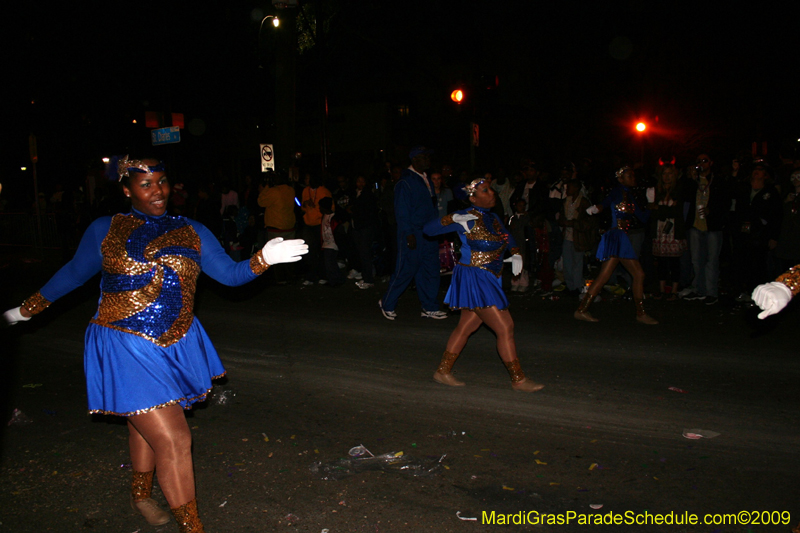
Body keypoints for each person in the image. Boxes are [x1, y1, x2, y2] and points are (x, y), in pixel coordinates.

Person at [2, 156, 307, 533]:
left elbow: (229, 275)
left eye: (162, 182)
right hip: (123, 342)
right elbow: (74, 274)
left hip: (175, 342)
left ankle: (141, 496)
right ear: (127, 189)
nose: (158, 191)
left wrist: (263, 259)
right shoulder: (106, 228)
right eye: (146, 184)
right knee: (175, 437)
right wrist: (26, 309)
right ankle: (192, 529)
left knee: (144, 423)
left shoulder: (192, 230)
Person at [423, 178, 544, 392]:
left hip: (490, 277)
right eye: (485, 190)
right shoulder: (466, 217)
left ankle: (442, 372)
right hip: (474, 278)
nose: (492, 193)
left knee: (467, 325)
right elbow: (428, 230)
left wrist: (515, 254)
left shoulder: (493, 217)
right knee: (505, 326)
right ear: (472, 197)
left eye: (490, 189)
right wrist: (451, 218)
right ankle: (518, 379)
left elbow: (507, 237)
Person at [574, 166, 657, 324]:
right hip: (616, 236)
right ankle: (640, 314)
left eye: (633, 175)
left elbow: (643, 217)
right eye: (629, 176)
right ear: (620, 179)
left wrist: (651, 204)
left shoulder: (629, 195)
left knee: (608, 276)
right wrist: (597, 208)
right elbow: (606, 201)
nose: (633, 178)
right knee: (637, 275)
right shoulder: (618, 191)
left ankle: (582, 310)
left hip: (620, 237)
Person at [379, 147, 447, 320]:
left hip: (428, 233)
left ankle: (429, 307)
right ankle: (387, 302)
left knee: (430, 270)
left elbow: (430, 208)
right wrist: (408, 234)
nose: (428, 161)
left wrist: (436, 228)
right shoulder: (405, 182)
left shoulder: (426, 180)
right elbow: (401, 212)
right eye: (424, 157)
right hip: (413, 233)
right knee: (405, 270)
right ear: (415, 159)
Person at [682, 153, 730, 304]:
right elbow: (685, 197)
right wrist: (691, 178)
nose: (701, 164)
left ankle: (711, 292)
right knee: (697, 260)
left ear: (711, 163)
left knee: (712, 261)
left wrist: (712, 210)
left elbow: (725, 202)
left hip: (712, 227)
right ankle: (699, 289)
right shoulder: (693, 181)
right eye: (699, 161)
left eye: (704, 161)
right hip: (696, 226)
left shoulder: (718, 181)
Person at [649, 164, 687, 300]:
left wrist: (659, 209)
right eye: (664, 173)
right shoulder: (657, 191)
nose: (667, 176)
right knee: (661, 261)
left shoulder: (679, 190)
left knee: (674, 261)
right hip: (660, 231)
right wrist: (661, 210)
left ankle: (674, 291)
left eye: (670, 173)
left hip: (674, 231)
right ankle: (662, 289)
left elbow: (677, 212)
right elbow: (652, 211)